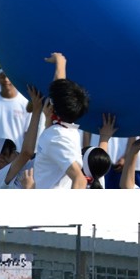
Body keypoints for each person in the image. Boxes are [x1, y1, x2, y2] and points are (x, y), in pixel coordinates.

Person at [34, 53, 91, 189]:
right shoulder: (67, 129)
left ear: (53, 107)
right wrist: (60, 63)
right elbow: (59, 94)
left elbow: (80, 180)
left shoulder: (56, 137)